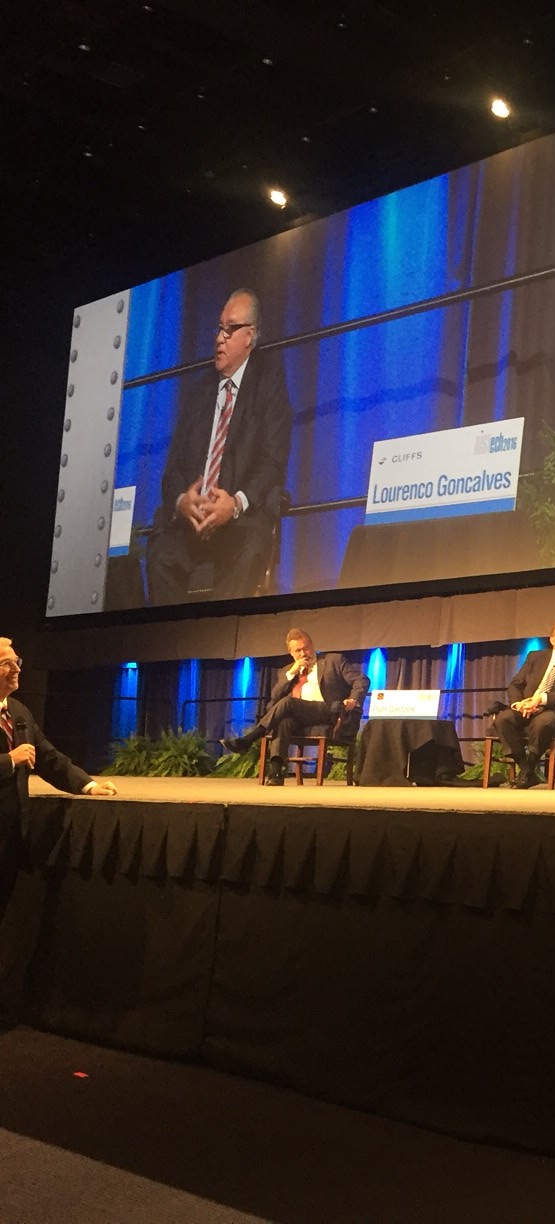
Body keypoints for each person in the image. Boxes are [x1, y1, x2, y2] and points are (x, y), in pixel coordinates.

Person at [146, 289, 293, 605]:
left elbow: (273, 459)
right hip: (193, 523)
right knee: (159, 557)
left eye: (230, 329)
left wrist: (236, 503)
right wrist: (182, 501)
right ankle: (175, 637)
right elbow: (173, 468)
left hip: (240, 521)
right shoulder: (199, 392)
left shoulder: (268, 382)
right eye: (218, 329)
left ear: (249, 336)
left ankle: (221, 636)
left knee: (248, 552)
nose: (219, 339)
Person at [0, 638, 117, 908]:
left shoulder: (18, 712)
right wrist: (9, 760)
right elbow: (16, 759)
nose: (17, 669)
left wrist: (88, 785)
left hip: (10, 841)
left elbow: (48, 758)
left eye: (17, 662)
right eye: (7, 664)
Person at [221, 628, 367, 784]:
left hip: (329, 710)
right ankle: (276, 773)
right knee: (284, 722)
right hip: (301, 715)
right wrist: (292, 672)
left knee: (289, 702)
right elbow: (275, 697)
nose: (303, 653)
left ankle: (250, 738)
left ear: (312, 645)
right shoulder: (287, 671)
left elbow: (362, 680)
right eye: (298, 651)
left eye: (306, 648)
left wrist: (353, 699)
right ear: (291, 653)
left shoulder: (334, 660)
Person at [494, 622, 555, 788]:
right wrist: (518, 704)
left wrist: (542, 699)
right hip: (525, 705)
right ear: (552, 640)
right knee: (503, 719)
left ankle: (529, 767)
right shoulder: (535, 657)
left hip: (551, 709)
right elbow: (516, 684)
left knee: (543, 723)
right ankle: (526, 768)